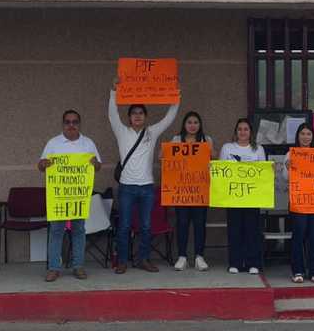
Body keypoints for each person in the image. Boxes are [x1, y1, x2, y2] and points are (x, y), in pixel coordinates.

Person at [109, 78, 179, 274]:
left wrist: (176, 96)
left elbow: (169, 118)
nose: (137, 116)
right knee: (124, 226)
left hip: (147, 187)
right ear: (129, 117)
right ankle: (122, 261)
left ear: (146, 117)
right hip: (126, 187)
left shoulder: (152, 132)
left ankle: (143, 259)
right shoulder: (121, 132)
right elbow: (112, 114)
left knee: (146, 226)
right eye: (134, 113)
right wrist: (113, 92)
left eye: (141, 113)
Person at [37, 109, 103, 282]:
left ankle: (78, 266)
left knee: (79, 231)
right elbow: (40, 165)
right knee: (56, 231)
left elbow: (98, 166)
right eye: (68, 122)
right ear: (63, 124)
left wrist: (95, 163)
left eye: (75, 122)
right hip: (59, 196)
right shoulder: (53, 143)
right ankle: (53, 268)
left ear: (79, 124)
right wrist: (44, 164)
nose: (71, 125)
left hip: (78, 197)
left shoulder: (88, 143)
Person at [167, 111, 213, 271]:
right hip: (182, 191)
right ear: (184, 124)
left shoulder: (206, 140)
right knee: (182, 223)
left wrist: (210, 155)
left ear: (200, 125)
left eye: (195, 122)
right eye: (189, 122)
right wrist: (165, 154)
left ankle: (199, 257)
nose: (192, 125)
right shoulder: (176, 139)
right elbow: (164, 157)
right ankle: (182, 256)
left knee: (200, 224)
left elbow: (213, 159)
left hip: (200, 190)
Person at [221, 118, 267, 275]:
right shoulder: (227, 148)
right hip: (232, 197)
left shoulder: (258, 149)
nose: (242, 132)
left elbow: (263, 173)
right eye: (239, 129)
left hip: (252, 197)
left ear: (251, 132)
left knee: (252, 231)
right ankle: (235, 262)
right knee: (234, 230)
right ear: (236, 132)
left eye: (246, 129)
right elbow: (221, 171)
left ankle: (252, 263)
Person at [287, 124, 314, 284]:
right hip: (299, 202)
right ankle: (298, 270)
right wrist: (287, 168)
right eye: (302, 133)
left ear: (313, 136)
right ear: (298, 136)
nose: (305, 137)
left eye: (308, 134)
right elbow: (284, 179)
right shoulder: (291, 153)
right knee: (299, 235)